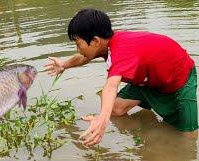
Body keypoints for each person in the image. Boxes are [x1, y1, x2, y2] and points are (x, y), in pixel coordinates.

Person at [44, 8, 198, 146]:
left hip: (179, 80)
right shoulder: (105, 45)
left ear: (95, 41)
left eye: (78, 44)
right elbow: (84, 57)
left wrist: (101, 120)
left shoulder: (121, 51)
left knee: (188, 137)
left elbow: (111, 86)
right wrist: (63, 65)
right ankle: (149, 133)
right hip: (148, 81)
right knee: (116, 109)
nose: (77, 48)